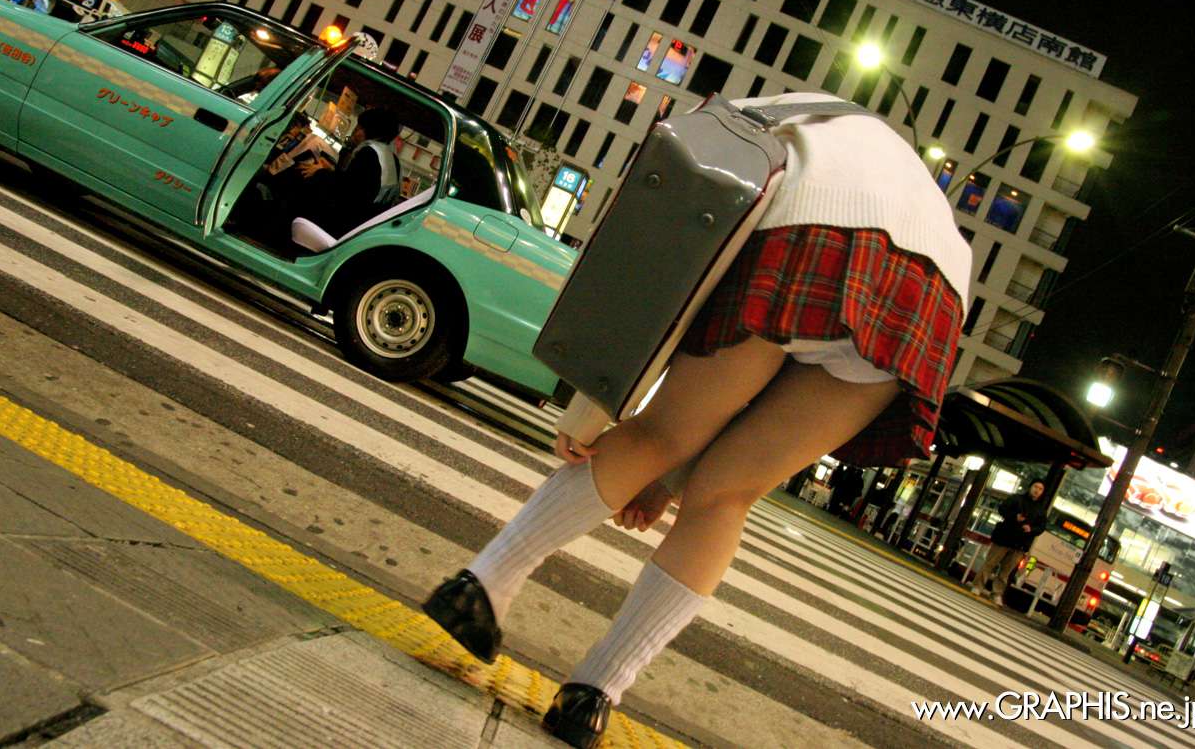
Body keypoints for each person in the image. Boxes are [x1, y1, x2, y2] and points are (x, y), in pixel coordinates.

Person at [422, 92, 972, 748]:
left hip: (818, 232)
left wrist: (596, 407)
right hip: (932, 295)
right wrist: (675, 481)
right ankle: (594, 693)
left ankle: (483, 584)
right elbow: (758, 404)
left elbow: (664, 266)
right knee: (728, 494)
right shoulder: (900, 177)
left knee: (661, 433)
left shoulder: (760, 120)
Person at [293, 107, 402, 240]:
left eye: (359, 128)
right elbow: (359, 184)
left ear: (370, 130)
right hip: (366, 225)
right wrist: (332, 170)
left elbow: (347, 192)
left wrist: (319, 172)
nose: (356, 133)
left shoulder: (369, 153)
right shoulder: (392, 158)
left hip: (346, 225)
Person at [972, 480, 1048, 604]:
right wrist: (1014, 516)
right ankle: (978, 586)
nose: (1037, 490)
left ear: (1042, 492)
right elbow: (1002, 509)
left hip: (1020, 544)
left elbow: (1042, 527)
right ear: (1030, 487)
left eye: (1040, 489)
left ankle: (997, 593)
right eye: (1035, 487)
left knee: (1006, 572)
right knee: (990, 564)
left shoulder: (1041, 510)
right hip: (1004, 537)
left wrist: (1031, 529)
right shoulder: (1016, 499)